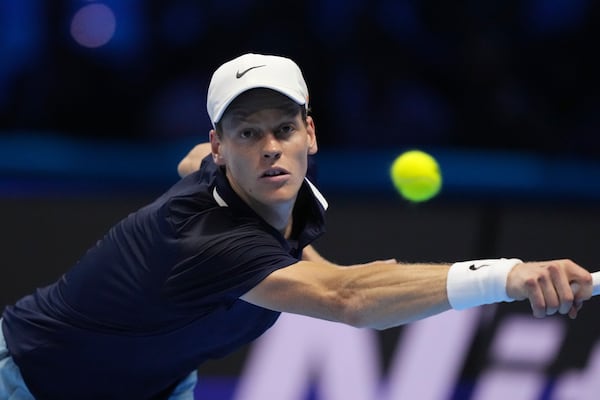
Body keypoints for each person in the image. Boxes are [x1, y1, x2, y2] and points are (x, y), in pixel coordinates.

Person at [0, 53, 595, 400]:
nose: (269, 148)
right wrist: (510, 275)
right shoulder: (205, 237)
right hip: (28, 382)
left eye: (282, 128)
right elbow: (346, 300)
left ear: (310, 132)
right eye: (246, 133)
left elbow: (199, 169)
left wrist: (351, 277)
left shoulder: (269, 197)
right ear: (221, 143)